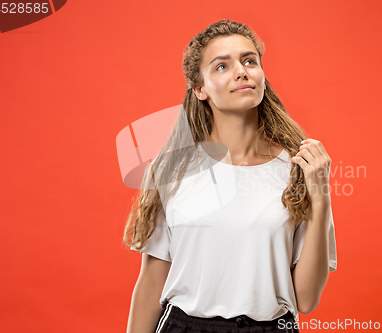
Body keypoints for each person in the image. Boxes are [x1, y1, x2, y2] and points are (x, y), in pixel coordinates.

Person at [123, 19, 337, 333]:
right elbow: (152, 282)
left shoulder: (300, 167)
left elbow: (305, 300)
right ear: (199, 89)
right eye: (222, 66)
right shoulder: (171, 169)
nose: (241, 71)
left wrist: (320, 196)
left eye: (249, 60)